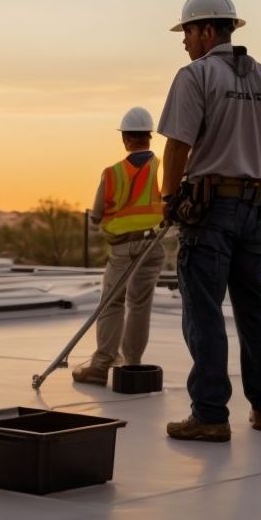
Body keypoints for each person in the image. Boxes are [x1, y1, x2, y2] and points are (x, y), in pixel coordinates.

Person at [157, 0, 261, 442]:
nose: (184, 41)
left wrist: (169, 200)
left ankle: (209, 415)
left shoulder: (195, 76)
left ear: (206, 30)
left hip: (212, 213)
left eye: (186, 32)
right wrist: (257, 170)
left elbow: (178, 145)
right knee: (253, 310)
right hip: (255, 211)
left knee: (203, 312)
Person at [72, 106, 166, 386]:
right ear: (149, 137)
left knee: (112, 303)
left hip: (123, 249)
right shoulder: (163, 169)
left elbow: (97, 214)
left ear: (125, 139)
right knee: (140, 305)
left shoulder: (112, 173)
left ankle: (102, 365)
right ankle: (132, 365)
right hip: (153, 245)